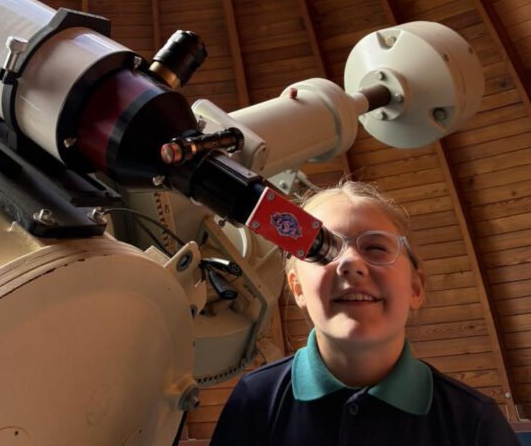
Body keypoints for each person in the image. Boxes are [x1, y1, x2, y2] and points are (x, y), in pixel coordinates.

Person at [210, 181, 519, 445]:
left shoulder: (475, 422)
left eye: (375, 248)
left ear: (416, 287)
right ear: (298, 289)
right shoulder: (254, 401)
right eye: (322, 250)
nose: (351, 263)